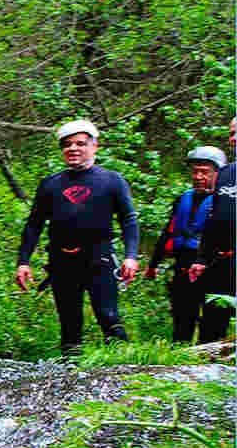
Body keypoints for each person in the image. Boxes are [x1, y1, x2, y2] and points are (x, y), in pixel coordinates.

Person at [15, 119, 140, 355]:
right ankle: (71, 378)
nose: (73, 149)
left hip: (99, 259)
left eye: (80, 144)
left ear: (95, 147)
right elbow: (34, 225)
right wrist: (23, 262)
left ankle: (127, 373)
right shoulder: (50, 184)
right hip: (62, 262)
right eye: (67, 145)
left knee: (108, 316)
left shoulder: (112, 180)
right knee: (69, 323)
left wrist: (131, 256)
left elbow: (129, 219)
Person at [143, 146, 226, 342]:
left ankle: (210, 361)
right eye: (195, 171)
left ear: (218, 173)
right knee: (182, 317)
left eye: (204, 172)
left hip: (213, 267)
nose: (198, 177)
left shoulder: (226, 202)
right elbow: (168, 232)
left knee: (213, 320)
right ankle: (180, 358)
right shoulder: (183, 199)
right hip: (183, 264)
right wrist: (153, 264)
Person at [189, 117, 237, 343]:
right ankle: (206, 373)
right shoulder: (226, 173)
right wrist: (201, 258)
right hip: (221, 262)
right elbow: (214, 219)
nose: (234, 138)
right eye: (231, 133)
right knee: (211, 323)